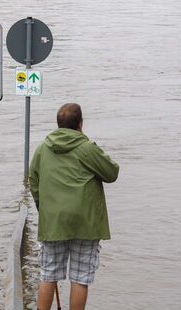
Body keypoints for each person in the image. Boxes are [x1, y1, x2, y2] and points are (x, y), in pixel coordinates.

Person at [29, 103, 119, 310]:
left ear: (58, 124)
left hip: (54, 220)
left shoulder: (43, 148)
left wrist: (44, 209)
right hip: (85, 222)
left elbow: (33, 180)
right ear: (80, 124)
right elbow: (112, 173)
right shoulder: (86, 148)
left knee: (48, 274)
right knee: (80, 277)